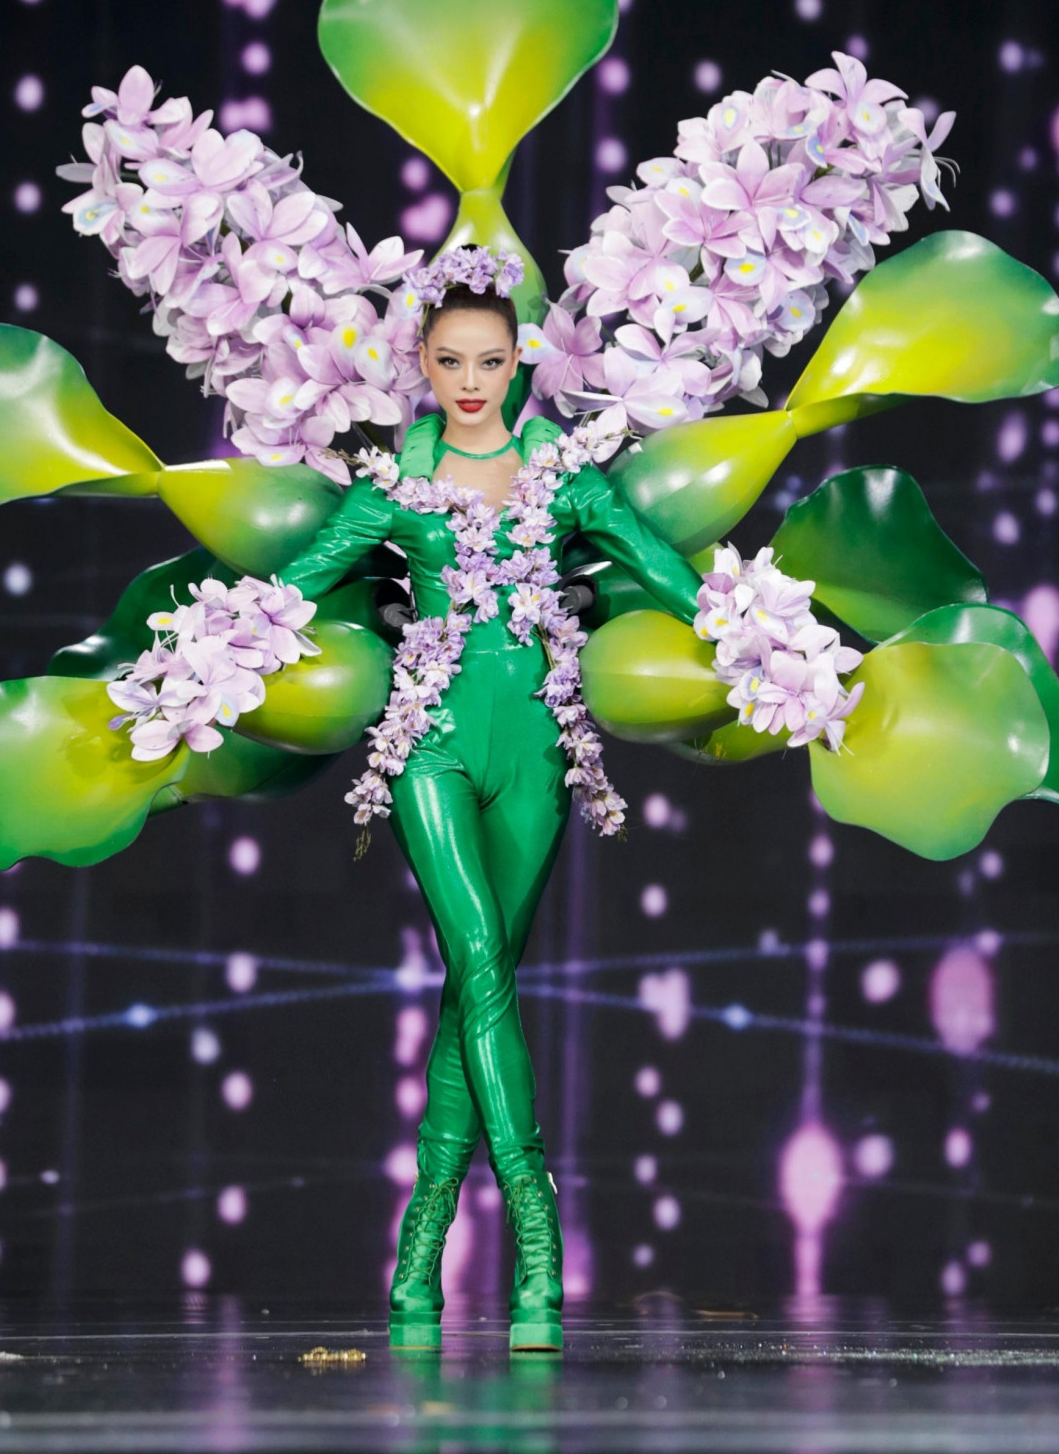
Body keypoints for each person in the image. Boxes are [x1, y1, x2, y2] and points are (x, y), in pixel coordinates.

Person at [280, 262, 704, 1353]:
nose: (470, 380)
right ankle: (538, 1245)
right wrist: (206, 643)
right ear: (421, 367)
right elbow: (296, 579)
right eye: (449, 361)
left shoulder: (564, 478)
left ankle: (420, 1248)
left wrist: (755, 634)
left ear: (519, 363)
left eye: (489, 360)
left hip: (539, 750)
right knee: (476, 959)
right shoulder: (396, 486)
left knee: (487, 980)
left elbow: (658, 566)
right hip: (429, 748)